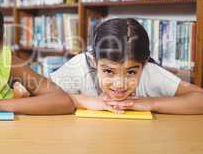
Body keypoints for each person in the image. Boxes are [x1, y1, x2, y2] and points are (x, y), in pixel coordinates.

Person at [50, 18, 203, 114]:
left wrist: (150, 103)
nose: (119, 84)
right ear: (94, 61)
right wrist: (80, 101)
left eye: (131, 72)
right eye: (109, 71)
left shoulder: (151, 72)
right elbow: (39, 96)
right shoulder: (79, 66)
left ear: (143, 64)